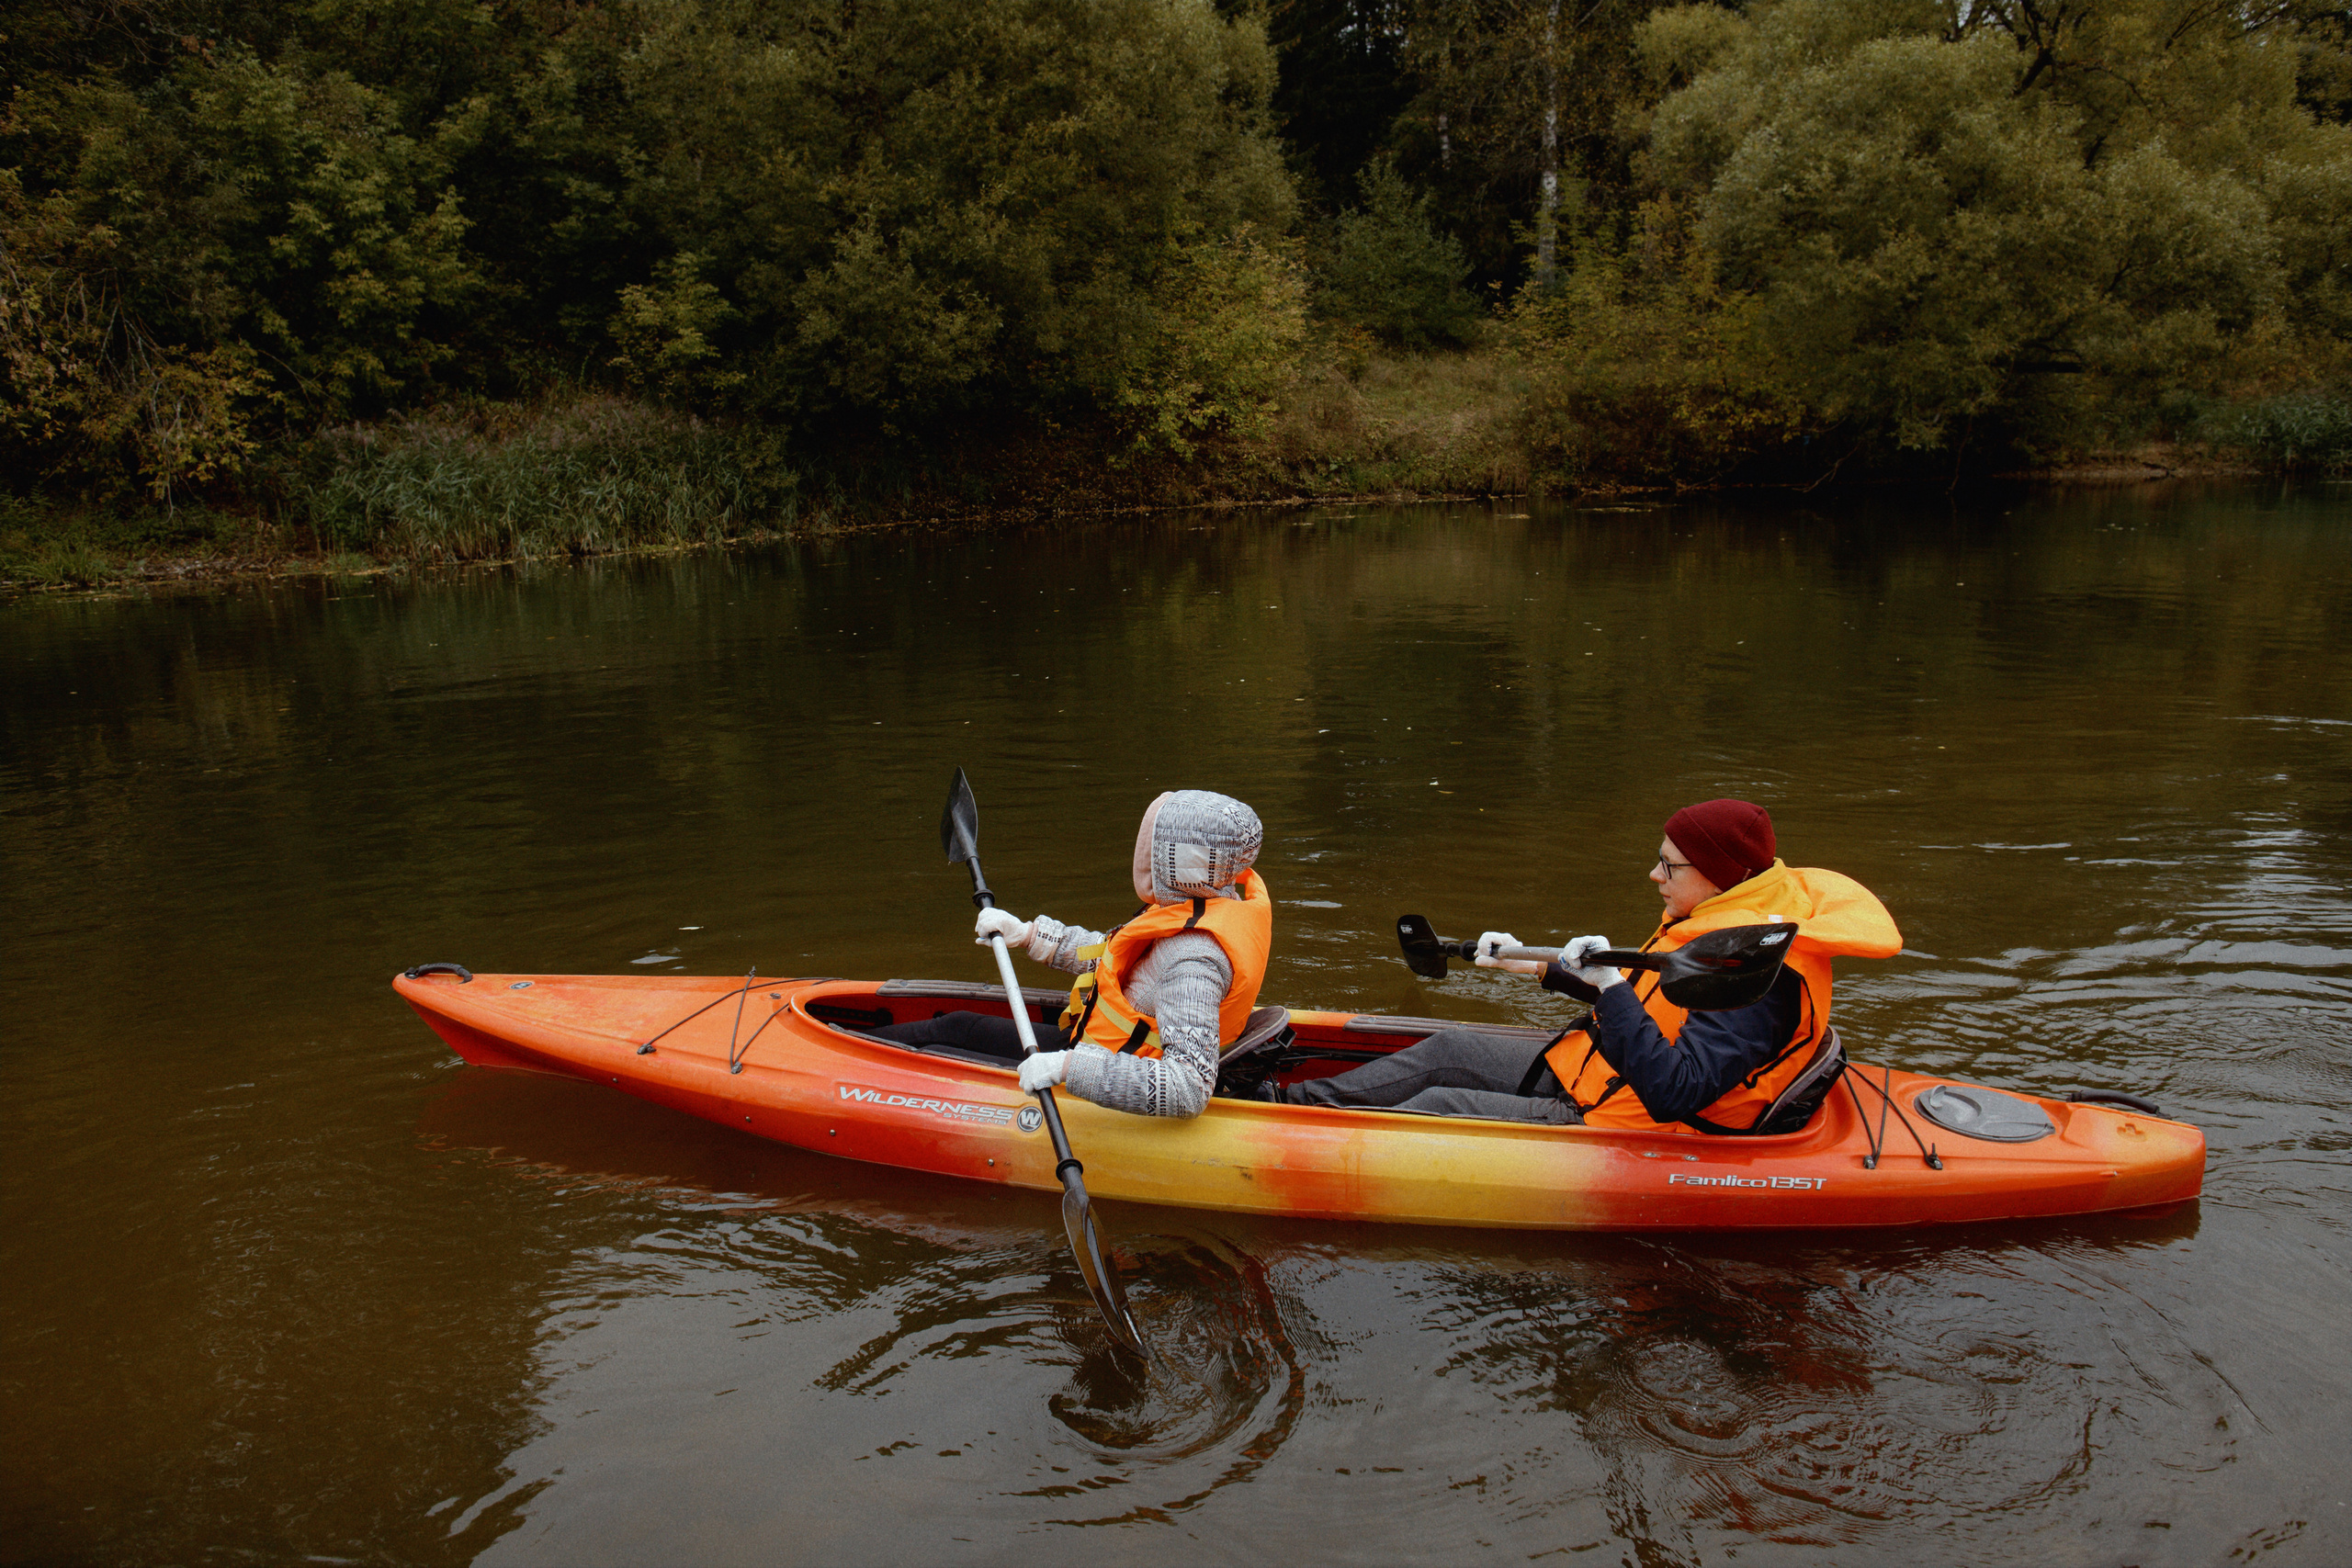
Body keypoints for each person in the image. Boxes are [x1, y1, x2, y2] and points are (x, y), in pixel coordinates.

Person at [1276, 798, 1900, 1133]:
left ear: (1719, 878)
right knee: (1448, 1048)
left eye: (1670, 866)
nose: (1654, 874)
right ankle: (1279, 1101)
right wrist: (1530, 962)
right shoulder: (1726, 916)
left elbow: (1673, 1092)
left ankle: (1287, 1142)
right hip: (1599, 1072)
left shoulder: (1758, 978)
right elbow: (1649, 994)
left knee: (1442, 1106)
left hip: (1635, 1120)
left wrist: (1609, 988)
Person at [871, 790, 1272, 1118]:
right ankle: (847, 1046)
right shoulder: (1195, 901)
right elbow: (1113, 958)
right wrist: (1029, 934)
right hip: (1095, 1049)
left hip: (1106, 1080)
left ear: (1184, 863)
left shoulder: (1194, 961)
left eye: (1155, 847)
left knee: (938, 1056)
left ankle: (851, 1069)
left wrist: (1067, 1068)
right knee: (957, 1027)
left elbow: (1188, 1090)